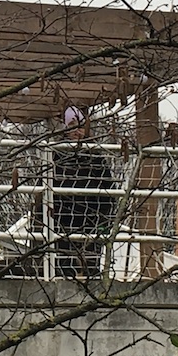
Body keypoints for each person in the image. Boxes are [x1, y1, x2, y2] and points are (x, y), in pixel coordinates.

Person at [51, 106, 117, 278]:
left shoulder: (95, 156)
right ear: (65, 128)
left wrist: (105, 220)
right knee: (64, 266)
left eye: (80, 126)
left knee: (91, 266)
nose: (77, 131)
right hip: (62, 219)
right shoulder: (56, 155)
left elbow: (108, 190)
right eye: (72, 125)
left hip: (92, 219)